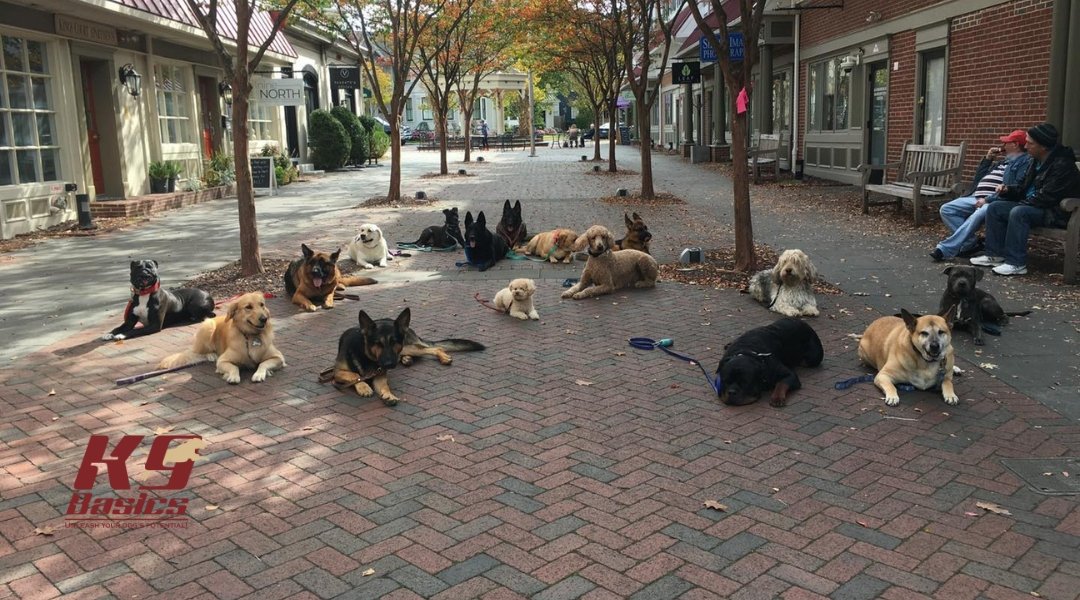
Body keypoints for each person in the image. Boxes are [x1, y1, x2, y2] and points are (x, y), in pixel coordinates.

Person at [971, 123, 1080, 276]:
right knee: (995, 207)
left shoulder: (1062, 165)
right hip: (1034, 206)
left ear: (1043, 146)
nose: (1026, 146)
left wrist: (1020, 203)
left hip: (1055, 212)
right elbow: (1022, 186)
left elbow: (1047, 197)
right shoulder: (1035, 160)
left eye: (1030, 143)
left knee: (1018, 212)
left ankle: (1016, 263)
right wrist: (1008, 189)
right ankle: (994, 254)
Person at [930, 130, 1031, 261]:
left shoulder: (1023, 163)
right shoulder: (1003, 162)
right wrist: (987, 159)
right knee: (947, 209)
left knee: (977, 213)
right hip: (976, 197)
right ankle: (970, 243)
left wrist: (988, 199)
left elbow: (1012, 188)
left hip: (995, 201)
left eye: (1006, 143)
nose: (1003, 146)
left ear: (1016, 144)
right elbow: (978, 179)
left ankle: (945, 249)